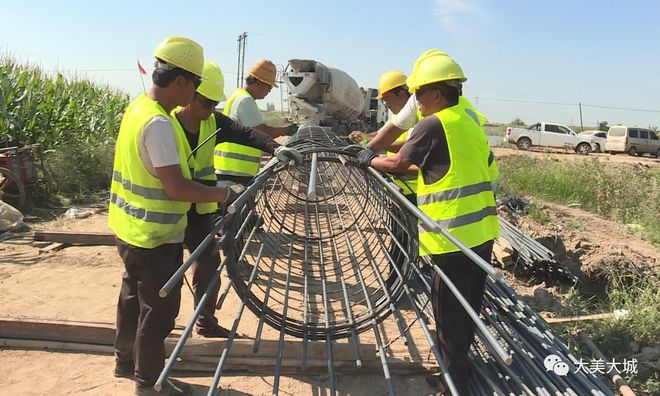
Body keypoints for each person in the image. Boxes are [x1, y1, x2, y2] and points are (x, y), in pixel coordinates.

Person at [357, 50, 499, 396]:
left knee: (449, 318)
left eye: (419, 94)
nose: (416, 101)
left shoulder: (435, 123)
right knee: (467, 310)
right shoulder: (468, 121)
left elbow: (399, 163)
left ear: (436, 94)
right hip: (481, 234)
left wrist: (368, 158)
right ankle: (456, 372)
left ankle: (452, 386)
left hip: (451, 237)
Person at [109, 36, 243, 396]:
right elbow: (177, 188)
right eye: (196, 84)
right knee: (159, 314)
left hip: (128, 229)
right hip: (155, 235)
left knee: (131, 300)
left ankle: (124, 362)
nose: (196, 94)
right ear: (181, 81)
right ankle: (149, 383)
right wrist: (222, 194)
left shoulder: (137, 108)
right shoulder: (160, 125)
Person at [171, 61, 301, 338]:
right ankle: (152, 344)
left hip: (199, 208)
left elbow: (247, 133)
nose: (210, 112)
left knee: (208, 267)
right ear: (190, 94)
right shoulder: (166, 124)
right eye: (207, 104)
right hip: (168, 211)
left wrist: (276, 150)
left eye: (214, 105)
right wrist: (221, 193)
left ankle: (205, 322)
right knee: (166, 278)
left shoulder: (213, 120)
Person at [215, 59, 295, 188]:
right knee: (233, 206)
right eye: (268, 88)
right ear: (259, 83)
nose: (268, 93)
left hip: (229, 168)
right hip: (235, 171)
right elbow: (261, 132)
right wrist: (286, 130)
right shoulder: (245, 100)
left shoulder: (238, 95)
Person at [350, 70, 418, 203]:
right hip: (398, 187)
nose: (385, 104)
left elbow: (409, 148)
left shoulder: (418, 117)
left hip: (415, 191)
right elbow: (381, 134)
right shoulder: (396, 116)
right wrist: (364, 137)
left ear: (402, 93)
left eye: (387, 98)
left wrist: (370, 150)